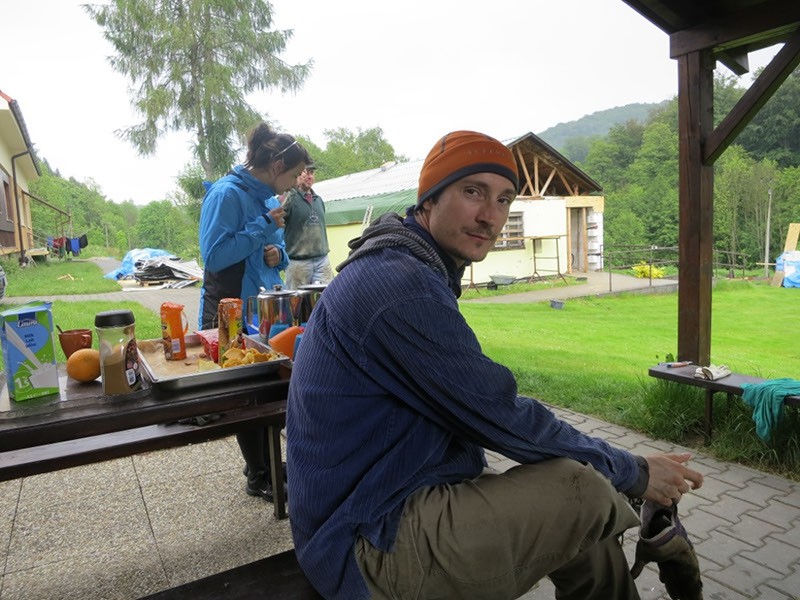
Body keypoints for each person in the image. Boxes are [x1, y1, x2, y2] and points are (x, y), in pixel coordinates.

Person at [286, 131, 704, 599]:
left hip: (402, 492)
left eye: (504, 200)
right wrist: (635, 472)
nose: (490, 216)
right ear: (429, 198)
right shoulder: (398, 288)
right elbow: (502, 415)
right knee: (582, 490)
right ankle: (648, 532)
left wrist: (613, 468)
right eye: (473, 192)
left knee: (583, 503)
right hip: (365, 538)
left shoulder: (409, 265)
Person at [199, 122, 311, 502]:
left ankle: (266, 463)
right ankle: (261, 474)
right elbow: (214, 257)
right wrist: (261, 227)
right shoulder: (225, 194)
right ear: (277, 166)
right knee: (247, 395)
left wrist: (278, 254)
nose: (294, 184)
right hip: (230, 309)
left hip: (264, 310)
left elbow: (277, 249)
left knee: (270, 390)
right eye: (294, 175)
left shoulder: (265, 199)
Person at [281, 163, 333, 289]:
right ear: (298, 175)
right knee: (298, 299)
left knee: (326, 296)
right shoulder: (290, 196)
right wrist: (293, 187)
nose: (309, 176)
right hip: (298, 263)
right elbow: (277, 210)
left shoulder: (318, 200)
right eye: (306, 173)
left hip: (322, 260)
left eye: (312, 173)